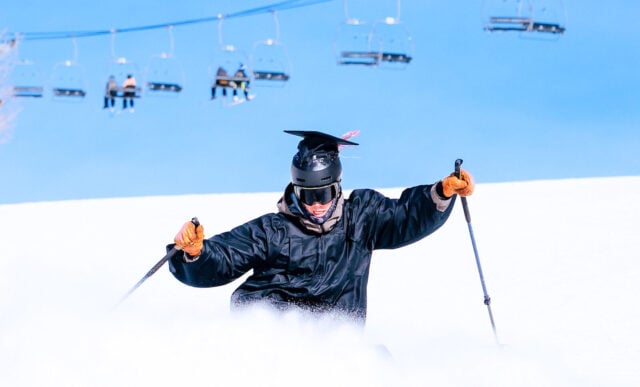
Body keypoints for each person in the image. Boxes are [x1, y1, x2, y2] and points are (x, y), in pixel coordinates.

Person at [169, 130, 474, 323]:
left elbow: (406, 217)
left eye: (324, 194)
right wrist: (195, 254)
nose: (316, 204)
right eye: (308, 195)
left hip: (335, 341)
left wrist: (441, 193)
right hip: (272, 334)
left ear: (338, 187)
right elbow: (223, 258)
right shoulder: (273, 230)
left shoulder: (362, 218)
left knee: (377, 364)